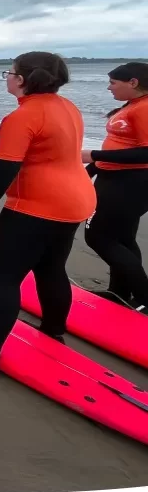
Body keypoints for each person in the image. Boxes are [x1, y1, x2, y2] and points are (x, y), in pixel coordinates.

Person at [0, 52, 97, 375]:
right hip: (76, 201)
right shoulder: (68, 107)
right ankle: (52, 330)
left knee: (4, 278)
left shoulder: (23, 117)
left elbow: (3, 170)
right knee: (51, 269)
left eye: (8, 73)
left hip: (37, 206)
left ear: (21, 80)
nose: (6, 77)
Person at [81, 62, 148, 313]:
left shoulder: (144, 108)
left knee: (98, 236)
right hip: (114, 179)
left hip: (130, 183)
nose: (109, 87)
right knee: (123, 238)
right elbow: (119, 146)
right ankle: (119, 292)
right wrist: (92, 169)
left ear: (133, 83)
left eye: (113, 82)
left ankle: (145, 296)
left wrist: (92, 156)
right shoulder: (133, 106)